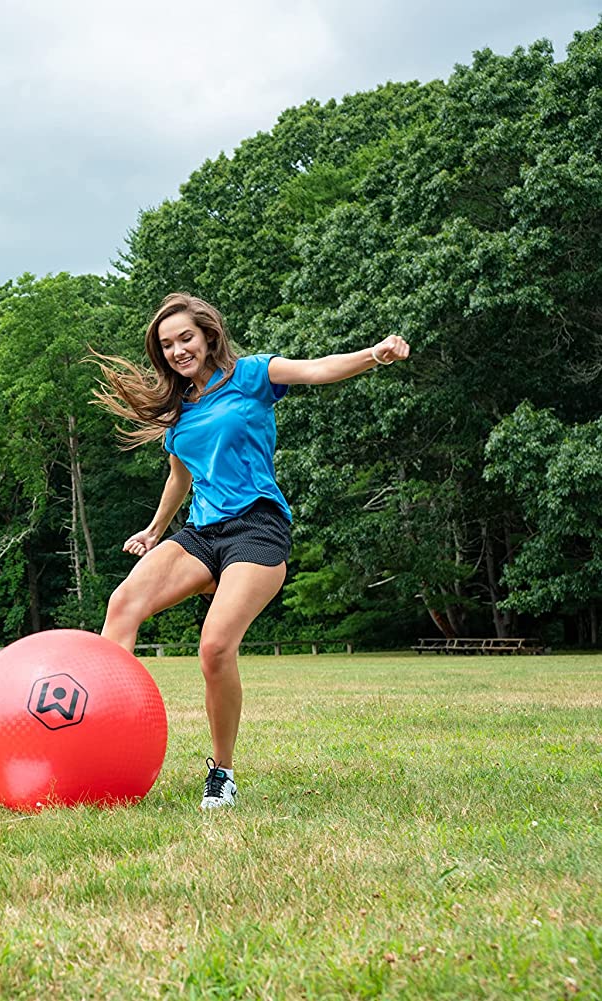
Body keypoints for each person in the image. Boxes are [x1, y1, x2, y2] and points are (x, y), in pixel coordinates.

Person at [91, 293, 409, 809]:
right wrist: (154, 531)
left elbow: (318, 369)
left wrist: (375, 353)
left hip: (256, 529)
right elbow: (180, 476)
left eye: (185, 338)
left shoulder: (253, 375)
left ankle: (222, 772)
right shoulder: (180, 413)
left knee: (215, 646)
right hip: (201, 534)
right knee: (122, 604)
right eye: (166, 345)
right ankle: (105, 738)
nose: (176, 350)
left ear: (208, 336)